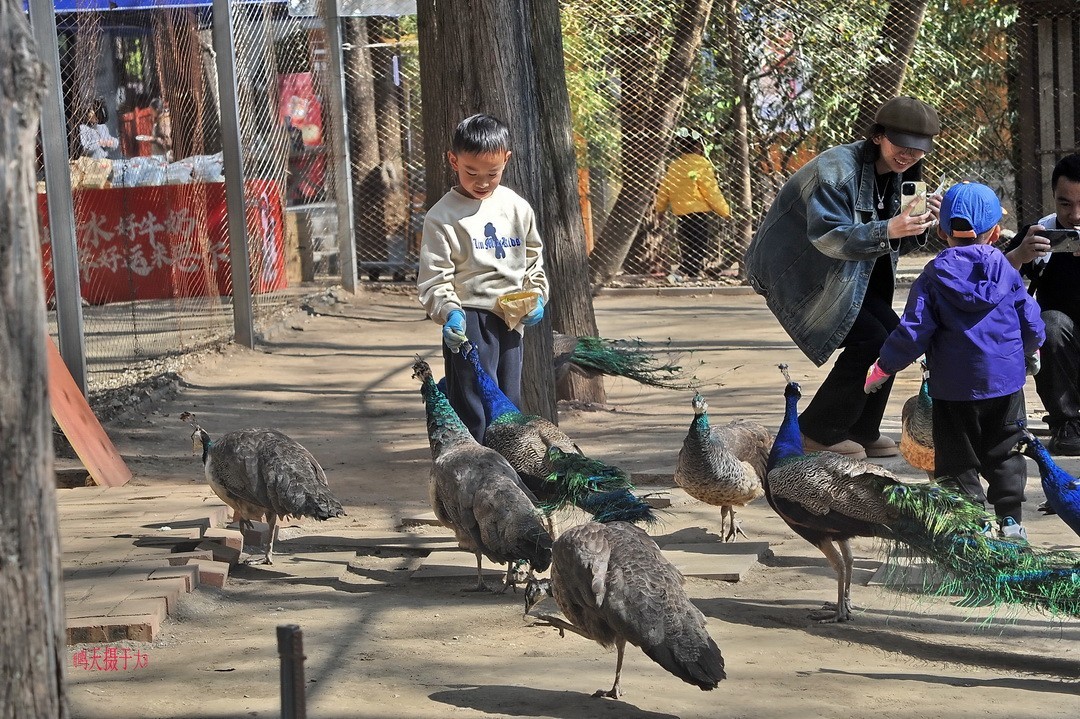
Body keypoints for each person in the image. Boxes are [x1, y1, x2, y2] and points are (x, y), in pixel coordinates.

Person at [744, 95, 941, 460]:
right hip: (798, 270)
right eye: (901, 145)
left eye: (918, 150)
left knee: (897, 337)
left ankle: (860, 429)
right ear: (878, 136)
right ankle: (817, 431)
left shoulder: (904, 173)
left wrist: (921, 225)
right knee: (871, 338)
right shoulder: (836, 171)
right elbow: (829, 237)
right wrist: (888, 228)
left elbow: (894, 243)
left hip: (847, 271)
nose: (908, 155)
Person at [864, 182, 1044, 540]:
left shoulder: (932, 278)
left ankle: (971, 525)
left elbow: (913, 332)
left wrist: (884, 366)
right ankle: (1011, 521)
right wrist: (1031, 349)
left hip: (952, 389)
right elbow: (1032, 321)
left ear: (943, 231)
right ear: (995, 232)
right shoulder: (1007, 271)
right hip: (1005, 384)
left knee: (957, 457)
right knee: (1006, 450)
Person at [416, 114, 548, 441]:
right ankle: (477, 463)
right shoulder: (442, 217)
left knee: (507, 397)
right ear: (453, 160)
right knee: (473, 397)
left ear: (507, 159)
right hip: (470, 316)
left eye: (493, 173)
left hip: (511, 317)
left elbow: (533, 260)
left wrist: (537, 296)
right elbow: (434, 276)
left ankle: (512, 459)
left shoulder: (518, 208)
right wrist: (450, 312)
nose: (483, 181)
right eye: (471, 172)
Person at [1003, 153, 1080, 456]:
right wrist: (1018, 256)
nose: (1075, 215)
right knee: (1049, 323)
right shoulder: (1038, 233)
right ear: (1053, 197)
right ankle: (1068, 423)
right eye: (1065, 204)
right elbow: (985, 283)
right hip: (1062, 351)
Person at [654, 128, 732, 279]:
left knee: (688, 244)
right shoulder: (701, 164)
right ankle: (689, 272)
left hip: (681, 212)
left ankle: (688, 271)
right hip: (699, 211)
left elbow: (664, 189)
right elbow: (710, 191)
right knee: (699, 244)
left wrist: (660, 209)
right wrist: (725, 211)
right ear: (698, 146)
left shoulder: (675, 165)